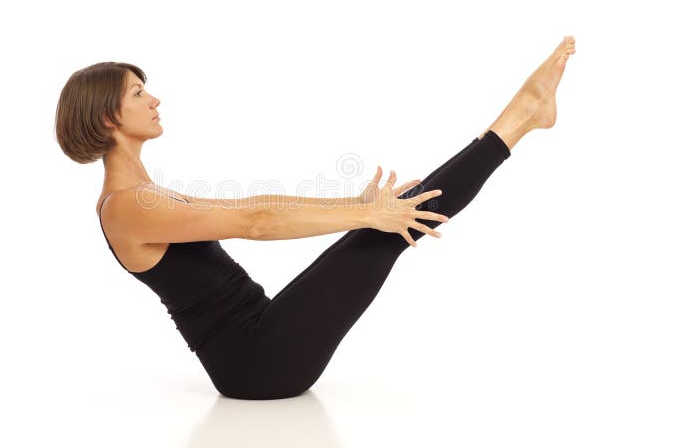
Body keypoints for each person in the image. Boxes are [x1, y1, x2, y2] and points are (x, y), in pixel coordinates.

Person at [54, 36, 577, 400]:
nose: (155, 99)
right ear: (107, 117)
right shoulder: (126, 207)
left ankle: (523, 118)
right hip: (258, 365)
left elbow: (250, 208)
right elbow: (254, 221)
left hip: (263, 336)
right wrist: (365, 214)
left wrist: (360, 210)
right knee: (392, 227)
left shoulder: (143, 193)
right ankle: (523, 117)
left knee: (384, 222)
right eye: (139, 93)